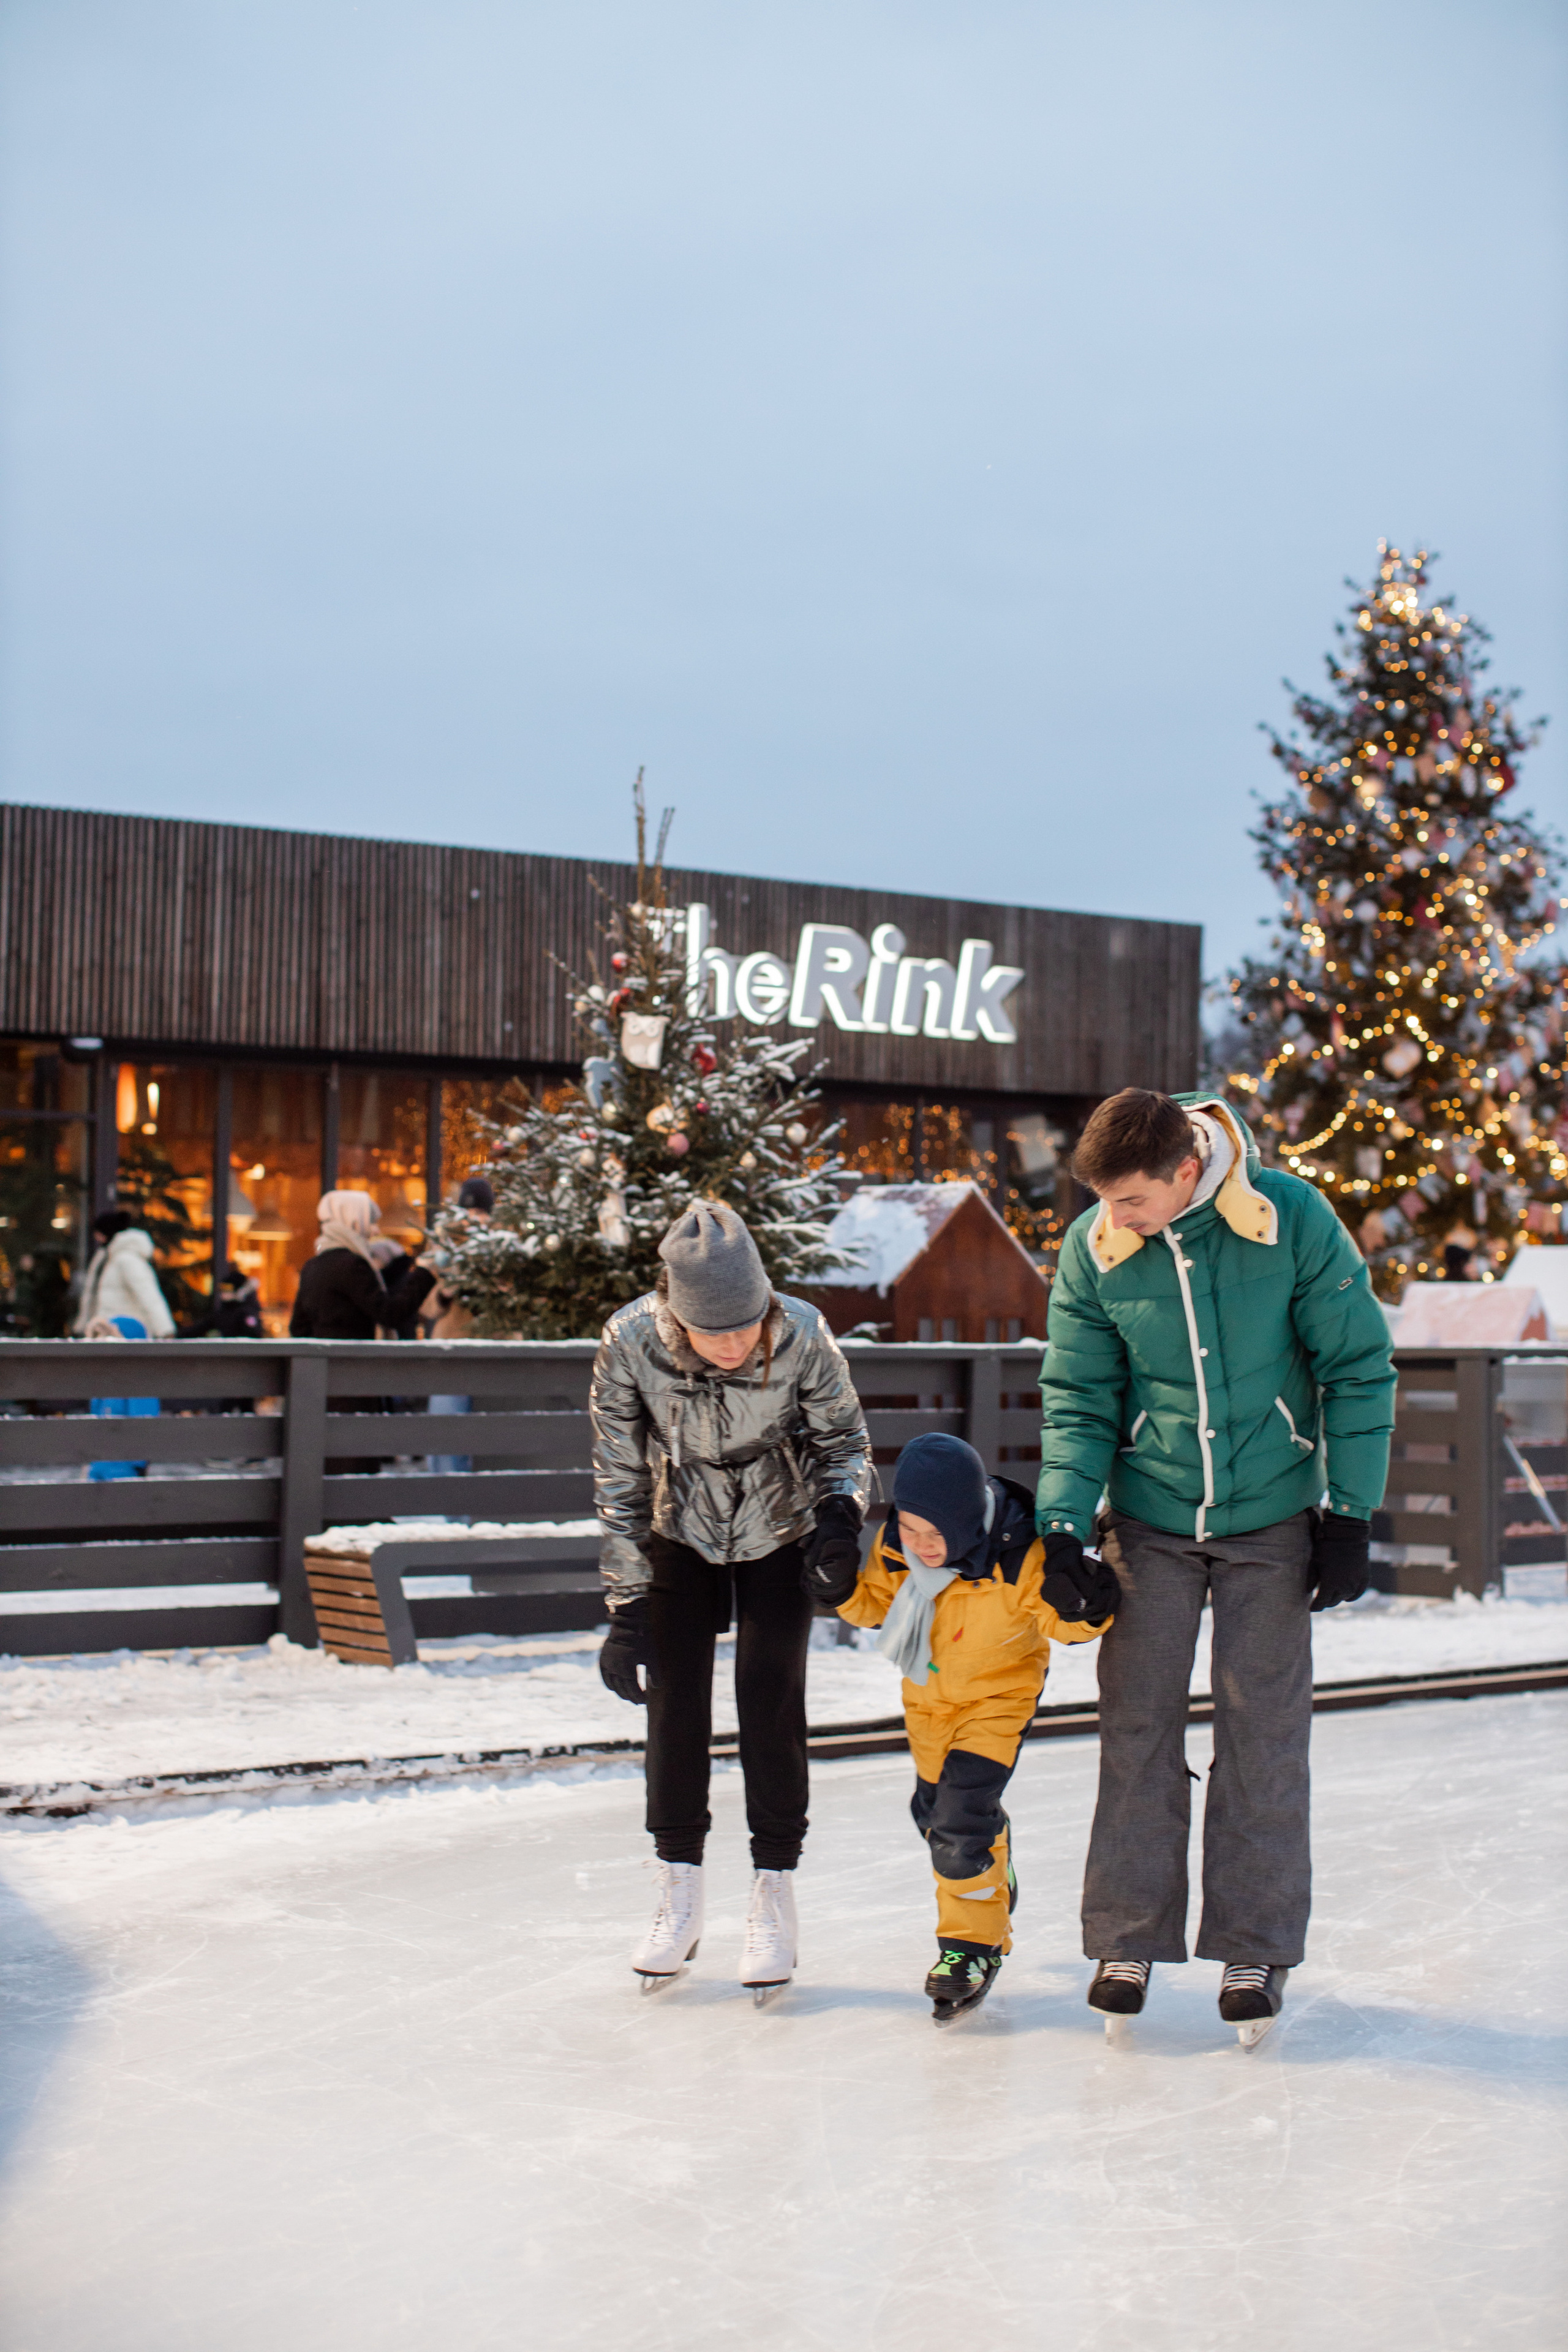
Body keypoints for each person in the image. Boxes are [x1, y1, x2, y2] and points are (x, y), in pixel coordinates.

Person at [1038, 1088, 1395, 2041]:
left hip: (1272, 1514)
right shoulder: (1097, 1249)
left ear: (1187, 1170)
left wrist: (1350, 1513)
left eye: (1130, 1201)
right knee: (1137, 1725)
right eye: (1105, 1203)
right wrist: (1065, 1526)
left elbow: (1357, 1368)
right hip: (1149, 1515)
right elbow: (1077, 1397)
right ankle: (1127, 1937)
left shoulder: (1291, 1219)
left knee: (1263, 1734)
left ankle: (1255, 1946)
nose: (1115, 1221)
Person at [590, 1201, 872, 1997]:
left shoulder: (805, 1334)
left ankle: (772, 1891)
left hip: (779, 1524)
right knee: (675, 1701)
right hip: (677, 1520)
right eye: (713, 1334)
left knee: (769, 1693)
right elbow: (617, 1475)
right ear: (679, 1320)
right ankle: (677, 1888)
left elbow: (843, 1443)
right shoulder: (631, 1340)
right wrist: (626, 1606)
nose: (732, 1345)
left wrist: (839, 1520)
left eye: (745, 1327)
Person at [818, 1431, 1114, 2021]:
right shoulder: (897, 1548)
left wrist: (1091, 1606)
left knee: (959, 1822)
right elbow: (877, 1605)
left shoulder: (1018, 1555)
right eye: (910, 1530)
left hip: (998, 1703)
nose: (923, 1547)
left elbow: (1065, 1622)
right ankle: (992, 1868)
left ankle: (968, 1949)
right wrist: (839, 1589)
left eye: (936, 1536)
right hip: (928, 1702)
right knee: (934, 1817)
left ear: (967, 1521)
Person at [289, 1191, 386, 1340]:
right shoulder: (353, 1265)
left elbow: (298, 1327)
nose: (376, 1230)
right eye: (371, 1221)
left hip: (324, 1359)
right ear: (355, 1221)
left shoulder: (313, 1265)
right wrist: (425, 1272)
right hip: (351, 1360)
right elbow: (388, 1314)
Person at [74, 1210, 176, 1338]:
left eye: (98, 1232)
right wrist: (83, 1326)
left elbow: (149, 1295)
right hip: (107, 1332)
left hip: (126, 1334)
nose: (96, 1237)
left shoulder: (127, 1260)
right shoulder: (105, 1258)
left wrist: (165, 1331)